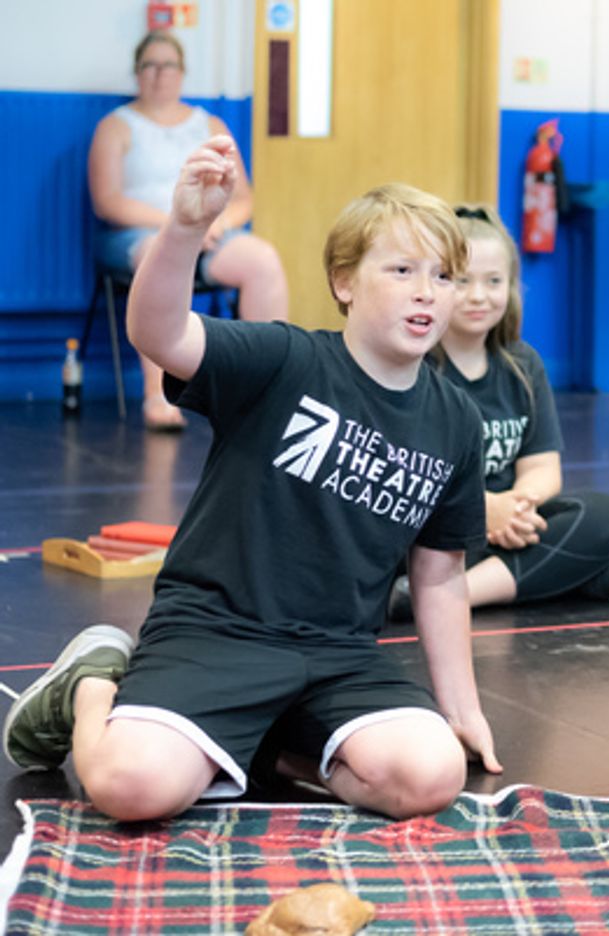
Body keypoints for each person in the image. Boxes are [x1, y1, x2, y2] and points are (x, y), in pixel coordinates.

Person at [3, 136, 500, 821]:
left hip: (338, 655)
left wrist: (463, 710)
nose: (427, 292)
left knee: (432, 775)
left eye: (444, 277)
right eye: (402, 270)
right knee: (131, 789)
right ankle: (91, 686)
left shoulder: (455, 422)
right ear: (345, 282)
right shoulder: (283, 360)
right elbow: (158, 333)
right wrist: (183, 228)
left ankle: (262, 748)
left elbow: (439, 576)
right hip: (216, 631)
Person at [388, 203, 609, 613]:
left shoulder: (523, 365)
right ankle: (542, 575)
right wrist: (485, 510)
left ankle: (433, 598)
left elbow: (542, 468)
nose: (479, 296)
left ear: (512, 287)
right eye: (462, 281)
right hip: (439, 527)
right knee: (599, 572)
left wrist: (513, 509)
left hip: (505, 527)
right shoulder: (417, 367)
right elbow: (407, 478)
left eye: (494, 281)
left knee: (606, 516)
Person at [89, 30, 288, 430]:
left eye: (168, 65)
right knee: (154, 253)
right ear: (137, 73)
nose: (159, 73)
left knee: (262, 260)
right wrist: (179, 224)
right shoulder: (115, 126)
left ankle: (264, 388)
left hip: (209, 232)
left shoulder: (209, 124)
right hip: (140, 233)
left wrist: (214, 225)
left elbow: (243, 199)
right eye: (150, 65)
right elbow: (108, 201)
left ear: (182, 73)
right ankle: (159, 397)